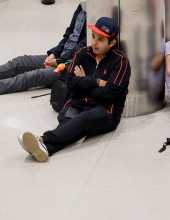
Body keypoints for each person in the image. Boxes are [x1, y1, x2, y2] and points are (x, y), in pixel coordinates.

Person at [18, 17, 130, 163]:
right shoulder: (82, 53)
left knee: (83, 120)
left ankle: (43, 139)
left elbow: (110, 94)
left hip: (107, 110)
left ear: (112, 42)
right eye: (93, 36)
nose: (94, 42)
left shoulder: (120, 62)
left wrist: (83, 82)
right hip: (78, 102)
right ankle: (47, 150)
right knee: (67, 119)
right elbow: (70, 83)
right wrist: (96, 82)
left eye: (100, 39)